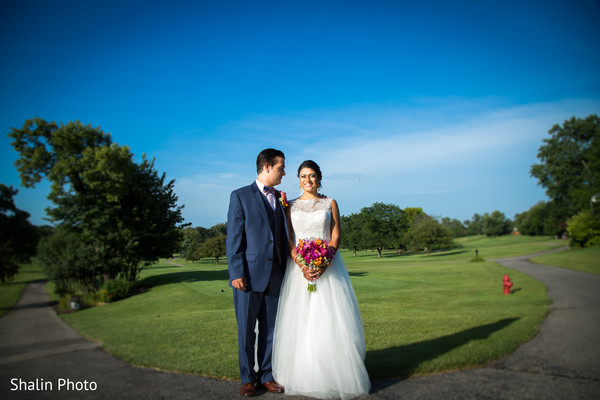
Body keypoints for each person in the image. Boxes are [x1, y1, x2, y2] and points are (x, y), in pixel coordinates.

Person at [272, 160, 371, 399]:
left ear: (320, 178)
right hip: (299, 270)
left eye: (312, 176)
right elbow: (288, 239)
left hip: (329, 267)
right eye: (303, 176)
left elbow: (336, 232)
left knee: (331, 318)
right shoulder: (290, 206)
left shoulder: (330, 202)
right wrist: (302, 264)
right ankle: (302, 373)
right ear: (298, 179)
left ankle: (338, 372)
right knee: (301, 320)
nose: (308, 180)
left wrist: (325, 261)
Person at [226, 149, 289, 397]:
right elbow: (234, 239)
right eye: (281, 168)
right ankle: (247, 378)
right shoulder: (240, 196)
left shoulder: (282, 199)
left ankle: (266, 375)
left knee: (270, 329)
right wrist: (236, 272)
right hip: (248, 276)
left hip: (276, 274)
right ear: (266, 167)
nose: (284, 172)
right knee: (246, 329)